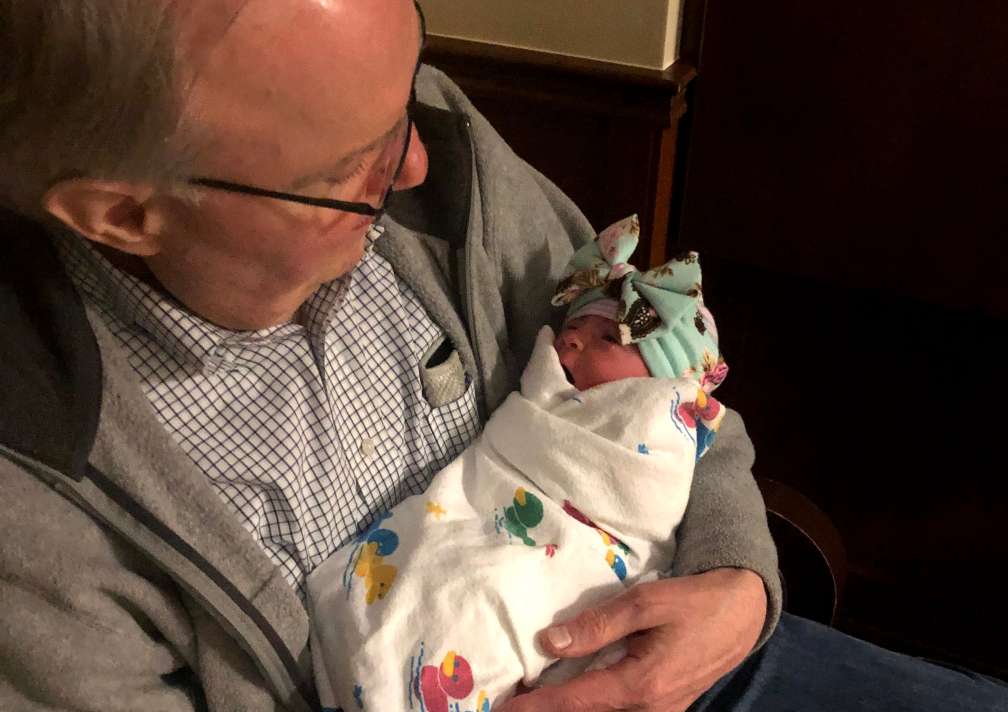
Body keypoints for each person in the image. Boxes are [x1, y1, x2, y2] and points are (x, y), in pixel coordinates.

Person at [0, 2, 1004, 711]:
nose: (421, 157)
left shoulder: (433, 155)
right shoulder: (40, 506)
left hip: (701, 663)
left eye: (409, 87)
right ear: (124, 212)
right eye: (347, 169)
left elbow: (667, 390)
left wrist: (737, 579)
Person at [307, 216, 731, 712]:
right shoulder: (544, 388)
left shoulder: (660, 431)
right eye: (573, 327)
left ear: (657, 388)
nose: (570, 341)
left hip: (615, 574)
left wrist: (739, 580)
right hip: (489, 496)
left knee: (498, 604)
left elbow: (690, 464)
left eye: (608, 340)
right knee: (436, 584)